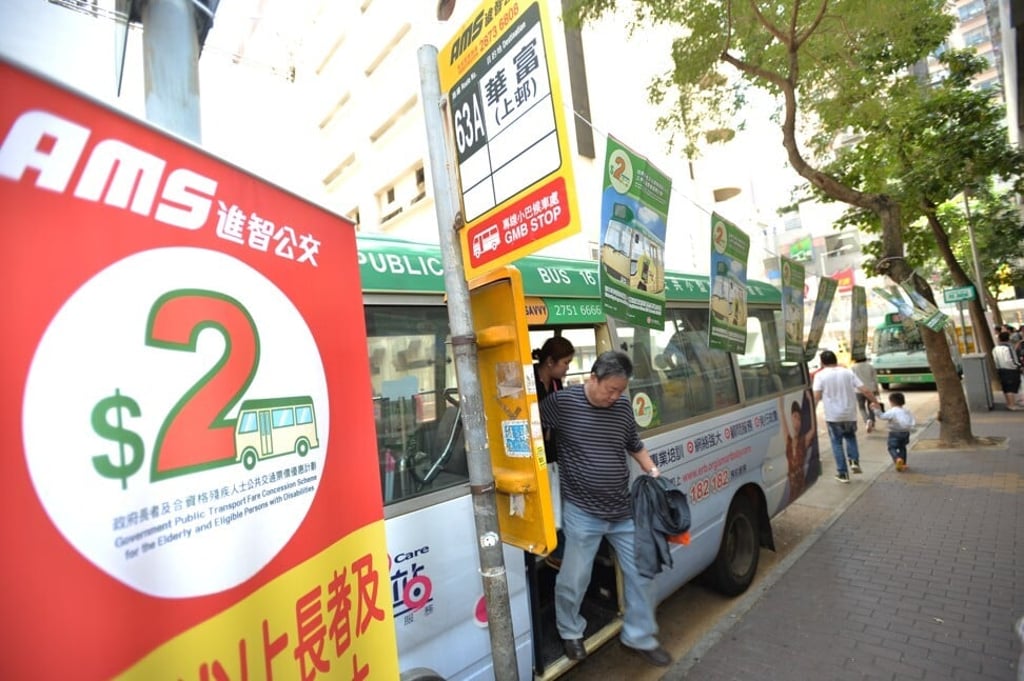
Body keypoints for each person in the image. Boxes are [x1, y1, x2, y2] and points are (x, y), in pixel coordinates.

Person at [538, 350, 671, 667]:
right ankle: (570, 631)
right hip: (582, 512)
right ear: (593, 378)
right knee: (574, 578)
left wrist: (654, 473)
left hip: (623, 511)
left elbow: (634, 444)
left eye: (620, 391)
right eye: (611, 390)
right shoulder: (562, 403)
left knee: (643, 572)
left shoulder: (622, 407)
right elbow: (531, 429)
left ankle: (639, 635)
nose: (615, 397)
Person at [812, 349, 878, 483]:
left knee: (836, 443)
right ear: (835, 360)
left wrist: (811, 412)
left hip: (833, 416)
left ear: (822, 362)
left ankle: (843, 474)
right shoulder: (847, 372)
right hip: (849, 414)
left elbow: (817, 396)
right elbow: (865, 390)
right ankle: (854, 461)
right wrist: (875, 401)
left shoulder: (820, 375)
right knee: (850, 437)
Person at [781, 394, 816, 500]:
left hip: (801, 487)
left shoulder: (803, 441)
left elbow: (813, 429)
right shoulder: (788, 441)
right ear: (791, 419)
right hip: (792, 493)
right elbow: (782, 415)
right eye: (795, 417)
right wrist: (780, 404)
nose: (797, 421)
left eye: (799, 419)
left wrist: (811, 402)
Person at [872, 392, 916, 472]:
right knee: (902, 447)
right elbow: (912, 420)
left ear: (891, 402)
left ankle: (897, 459)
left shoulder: (892, 411)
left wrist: (876, 410)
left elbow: (882, 416)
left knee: (891, 447)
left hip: (894, 433)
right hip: (905, 433)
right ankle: (904, 464)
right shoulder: (907, 411)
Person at [991, 331, 1023, 410]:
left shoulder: (995, 348)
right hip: (1011, 370)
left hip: (1001, 369)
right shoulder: (1009, 348)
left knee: (1006, 387)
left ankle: (1009, 404)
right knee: (1011, 388)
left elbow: (995, 360)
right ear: (1008, 338)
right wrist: (1018, 366)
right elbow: (1012, 360)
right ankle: (1012, 405)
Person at [850, 355, 880, 433]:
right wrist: (877, 390)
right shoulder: (870, 366)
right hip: (871, 389)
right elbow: (875, 379)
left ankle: (867, 421)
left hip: (859, 390)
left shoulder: (853, 367)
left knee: (861, 407)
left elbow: (852, 380)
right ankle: (872, 422)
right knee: (871, 406)